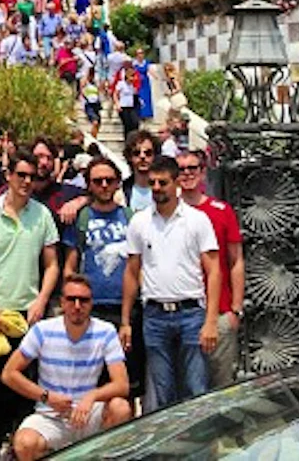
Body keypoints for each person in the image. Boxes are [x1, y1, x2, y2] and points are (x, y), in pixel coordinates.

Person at [0, 150, 60, 461]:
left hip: (27, 318)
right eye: (21, 175)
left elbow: (52, 265)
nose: (27, 182)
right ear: (8, 176)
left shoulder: (42, 215)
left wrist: (41, 301)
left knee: (26, 393)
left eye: (32, 177)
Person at [120, 155, 220, 408]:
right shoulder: (139, 222)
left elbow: (214, 270)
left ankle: (201, 444)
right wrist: (125, 322)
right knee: (161, 392)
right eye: (152, 183)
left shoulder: (197, 220)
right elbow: (132, 272)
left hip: (191, 313)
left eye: (162, 183)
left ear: (175, 183)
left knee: (196, 388)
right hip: (154, 315)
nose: (156, 188)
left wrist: (210, 321)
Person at [1, 274, 132, 460]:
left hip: (88, 413)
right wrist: (46, 396)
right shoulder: (42, 330)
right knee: (25, 442)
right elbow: (9, 374)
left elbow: (122, 384)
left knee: (121, 408)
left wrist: (92, 396)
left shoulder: (105, 331)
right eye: (71, 299)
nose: (77, 306)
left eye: (83, 300)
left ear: (91, 303)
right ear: (62, 302)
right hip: (51, 415)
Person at [64, 157, 144, 403]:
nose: (104, 185)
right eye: (98, 181)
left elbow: (139, 264)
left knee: (126, 385)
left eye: (109, 180)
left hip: (126, 310)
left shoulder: (131, 218)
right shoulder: (81, 219)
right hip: (90, 309)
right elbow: (70, 265)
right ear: (89, 185)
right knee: (90, 380)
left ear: (118, 183)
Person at [176, 150, 243, 388]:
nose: (186, 174)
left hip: (221, 313)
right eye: (181, 169)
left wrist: (235, 308)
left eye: (192, 168)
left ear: (203, 172)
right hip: (183, 314)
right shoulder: (168, 214)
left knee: (221, 386)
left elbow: (235, 260)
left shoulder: (222, 211)